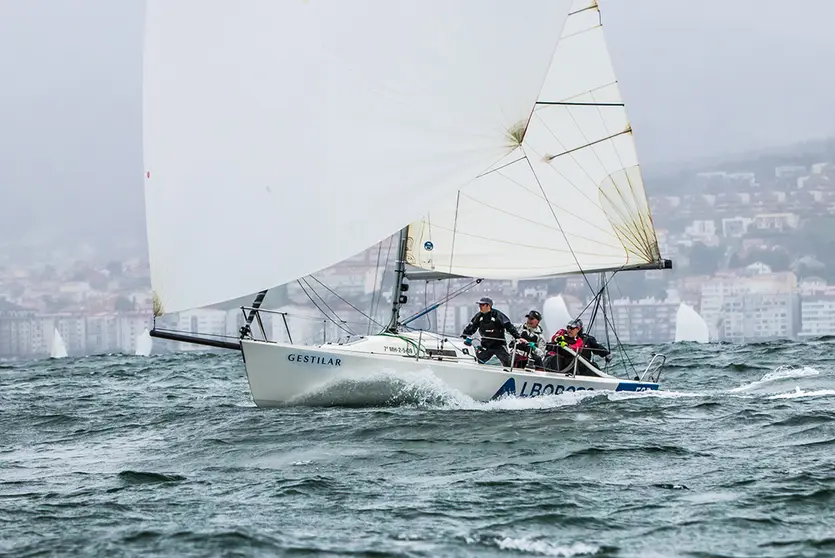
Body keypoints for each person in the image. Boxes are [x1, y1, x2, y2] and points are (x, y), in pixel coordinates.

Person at [461, 296, 520, 367]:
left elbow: (509, 326)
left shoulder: (497, 315)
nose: (480, 306)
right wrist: (464, 336)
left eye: (482, 305)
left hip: (499, 345)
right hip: (486, 345)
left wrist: (518, 337)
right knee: (477, 361)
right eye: (479, 305)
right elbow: (471, 327)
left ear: (488, 305)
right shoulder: (478, 316)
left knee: (508, 363)